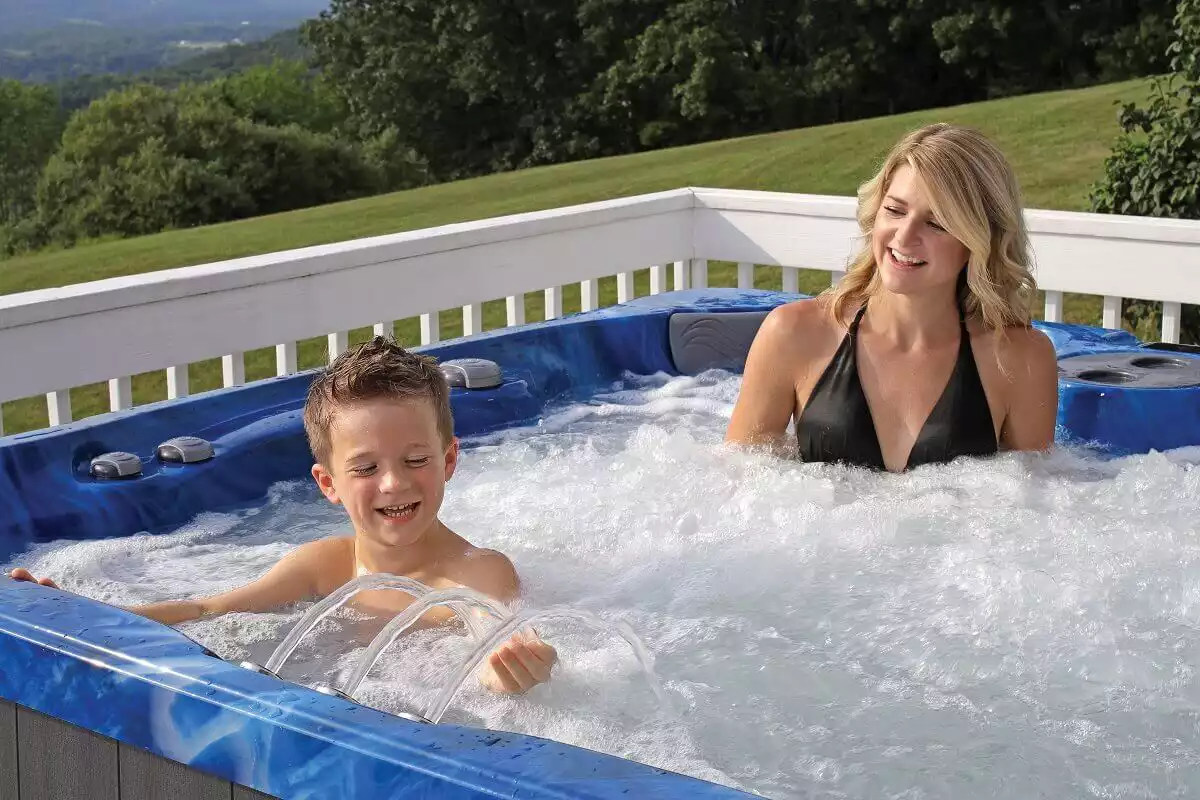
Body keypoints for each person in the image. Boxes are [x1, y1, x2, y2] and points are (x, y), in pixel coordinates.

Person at [10, 336, 557, 695]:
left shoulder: (475, 572)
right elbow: (207, 609)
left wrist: (508, 668)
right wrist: (80, 614)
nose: (394, 482)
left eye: (416, 460)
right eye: (365, 468)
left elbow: (499, 631)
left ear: (449, 460)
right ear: (329, 485)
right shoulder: (324, 566)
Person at [725, 123, 1059, 471]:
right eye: (895, 210)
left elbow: (1032, 510)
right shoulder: (794, 335)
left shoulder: (1019, 360)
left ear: (979, 240)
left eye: (937, 223)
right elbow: (737, 492)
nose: (904, 236)